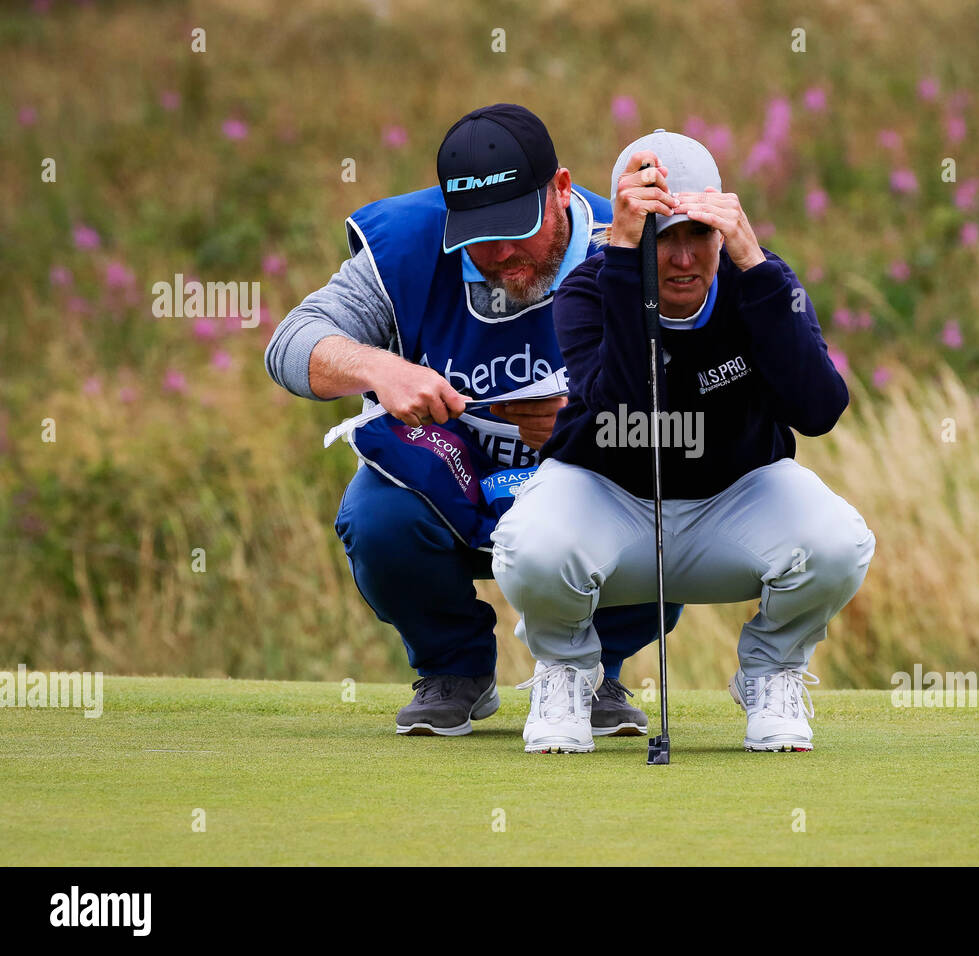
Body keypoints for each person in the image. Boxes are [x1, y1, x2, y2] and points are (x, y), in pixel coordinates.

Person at [264, 104, 682, 738]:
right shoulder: (408, 245)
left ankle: (591, 671)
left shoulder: (626, 242)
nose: (501, 251)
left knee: (675, 497)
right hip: (449, 487)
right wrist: (381, 369)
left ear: (562, 191)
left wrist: (584, 428)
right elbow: (291, 344)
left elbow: (692, 403)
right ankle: (455, 671)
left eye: (516, 226)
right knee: (375, 519)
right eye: (479, 234)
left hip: (591, 497)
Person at [491, 129, 876, 754]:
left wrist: (758, 271)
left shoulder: (762, 284)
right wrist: (622, 263)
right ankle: (566, 672)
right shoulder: (592, 287)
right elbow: (626, 409)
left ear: (723, 227)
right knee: (529, 547)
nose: (682, 257)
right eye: (658, 235)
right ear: (626, 232)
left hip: (733, 503)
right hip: (606, 498)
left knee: (839, 543)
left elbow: (820, 410)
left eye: (698, 232)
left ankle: (772, 673)